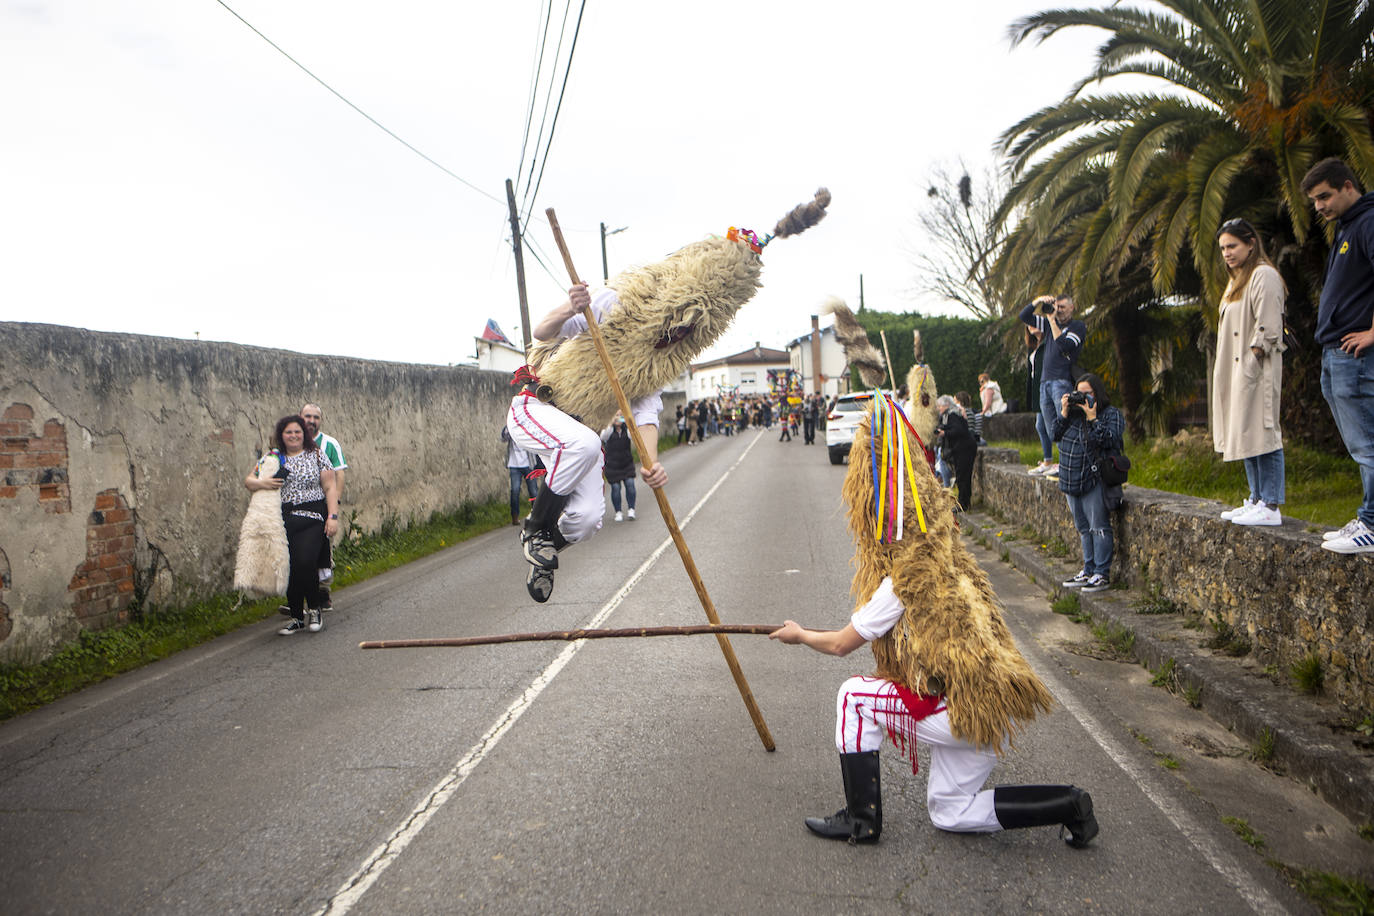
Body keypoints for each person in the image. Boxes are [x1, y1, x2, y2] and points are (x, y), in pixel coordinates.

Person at [769, 392, 1095, 849]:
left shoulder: (905, 579)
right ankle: (1069, 805)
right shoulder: (953, 561)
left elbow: (842, 644)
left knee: (851, 698)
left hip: (957, 710)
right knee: (950, 812)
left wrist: (799, 635)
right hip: (987, 714)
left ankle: (861, 821)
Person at [507, 284, 668, 602]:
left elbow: (646, 416)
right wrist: (572, 306)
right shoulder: (616, 303)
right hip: (537, 409)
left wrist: (652, 462)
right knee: (587, 444)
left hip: (581, 433)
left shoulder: (656, 361)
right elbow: (542, 332)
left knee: (588, 520)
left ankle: (544, 550)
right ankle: (535, 529)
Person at [1302, 158, 1374, 555]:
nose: (1319, 207)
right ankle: (1367, 518)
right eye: (1314, 201)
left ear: (1348, 186)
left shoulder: (1368, 221)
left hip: (1357, 353)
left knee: (1368, 442)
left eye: (1324, 196)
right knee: (1360, 443)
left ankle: (1373, 525)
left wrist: (1373, 333)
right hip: (1335, 352)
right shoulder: (1347, 227)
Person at [1212, 218, 1287, 527]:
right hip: (1234, 369)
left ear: (1251, 243)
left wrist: (1252, 364)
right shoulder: (1236, 281)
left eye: (1232, 246)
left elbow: (1269, 328)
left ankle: (1271, 504)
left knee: (1263, 432)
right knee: (1244, 432)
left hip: (1255, 369)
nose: (1227, 253)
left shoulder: (1263, 275)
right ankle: (1255, 497)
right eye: (1222, 248)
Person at [245, 415, 339, 634]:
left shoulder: (316, 454)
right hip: (283, 520)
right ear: (282, 435)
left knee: (306, 562)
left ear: (303, 434)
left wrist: (332, 517)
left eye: (297, 431)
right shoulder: (274, 457)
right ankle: (297, 617)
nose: (293, 436)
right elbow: (249, 481)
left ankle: (314, 609)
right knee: (290, 568)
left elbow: (330, 487)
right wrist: (264, 482)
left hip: (313, 517)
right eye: (289, 432)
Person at [1053, 374, 1125, 593]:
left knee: (1099, 527)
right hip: (1069, 477)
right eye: (1079, 393)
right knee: (1084, 528)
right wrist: (1064, 411)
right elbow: (1055, 434)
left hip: (1093, 477)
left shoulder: (1110, 414)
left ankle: (1101, 574)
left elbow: (1111, 440)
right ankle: (1088, 569)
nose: (1082, 398)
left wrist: (1093, 418)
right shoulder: (1072, 415)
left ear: (1098, 393)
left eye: (1087, 393)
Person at [1020, 295, 1085, 477]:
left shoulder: (1077, 327)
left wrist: (1052, 321)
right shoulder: (1048, 323)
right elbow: (1024, 316)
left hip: (1061, 380)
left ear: (1072, 308)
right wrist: (1038, 300)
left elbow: (1064, 346)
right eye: (1057, 306)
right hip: (1044, 383)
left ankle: (1070, 463)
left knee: (1065, 422)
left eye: (1063, 307)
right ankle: (1059, 463)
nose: (1059, 310)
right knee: (1051, 428)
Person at [300, 403, 346, 612]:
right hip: (298, 509)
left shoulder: (329, 444)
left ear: (321, 420)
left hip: (323, 506)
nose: (311, 421)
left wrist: (334, 506)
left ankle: (323, 593)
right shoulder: (292, 441)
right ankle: (300, 595)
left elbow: (339, 474)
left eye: (315, 417)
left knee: (323, 551)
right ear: (300, 417)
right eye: (307, 416)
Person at [936, 395, 978, 511]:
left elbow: (959, 430)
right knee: (962, 476)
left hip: (963, 448)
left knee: (962, 476)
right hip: (962, 447)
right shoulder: (952, 413)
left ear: (946, 405)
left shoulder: (952, 415)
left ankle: (963, 504)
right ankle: (964, 502)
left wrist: (945, 433)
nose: (938, 408)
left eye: (940, 406)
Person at [601, 416, 637, 522]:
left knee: (630, 485)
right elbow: (603, 436)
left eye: (620, 416)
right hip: (612, 465)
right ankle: (618, 512)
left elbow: (633, 435)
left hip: (626, 463)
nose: (618, 419)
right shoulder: (608, 430)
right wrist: (611, 422)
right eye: (616, 416)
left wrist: (628, 421)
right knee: (615, 488)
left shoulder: (626, 430)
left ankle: (631, 509)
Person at [502, 424, 538, 526]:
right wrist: (510, 427)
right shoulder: (510, 427)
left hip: (528, 464)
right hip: (514, 465)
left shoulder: (528, 427)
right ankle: (515, 516)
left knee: (534, 491)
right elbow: (503, 438)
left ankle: (536, 516)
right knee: (515, 490)